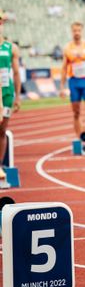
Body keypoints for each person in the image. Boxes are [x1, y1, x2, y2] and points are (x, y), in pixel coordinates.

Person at [60, 22, 85, 142]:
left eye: (78, 30)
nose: (76, 33)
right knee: (76, 112)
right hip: (74, 82)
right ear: (71, 31)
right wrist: (62, 87)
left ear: (82, 31)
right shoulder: (67, 48)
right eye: (74, 30)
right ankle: (79, 138)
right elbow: (63, 68)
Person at [0, 11, 21, 182]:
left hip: (7, 93)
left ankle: (0, 165)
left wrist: (18, 97)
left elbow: (16, 73)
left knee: (2, 130)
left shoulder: (11, 47)